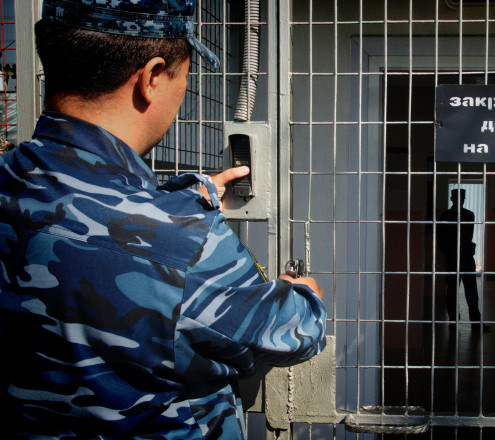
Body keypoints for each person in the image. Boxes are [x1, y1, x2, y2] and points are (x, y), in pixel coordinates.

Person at [0, 1, 326, 438]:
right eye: (185, 76)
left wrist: (179, 201)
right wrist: (302, 292)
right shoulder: (186, 246)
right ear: (152, 77)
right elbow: (294, 330)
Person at [437, 189, 488, 331]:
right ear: (453, 199)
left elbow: (442, 239)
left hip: (459, 258)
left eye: (462, 198)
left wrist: (449, 251)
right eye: (459, 198)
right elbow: (442, 239)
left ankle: (458, 322)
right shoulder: (467, 215)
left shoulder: (448, 216)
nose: (460, 201)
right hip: (461, 257)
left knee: (466, 292)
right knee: (461, 292)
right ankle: (464, 322)